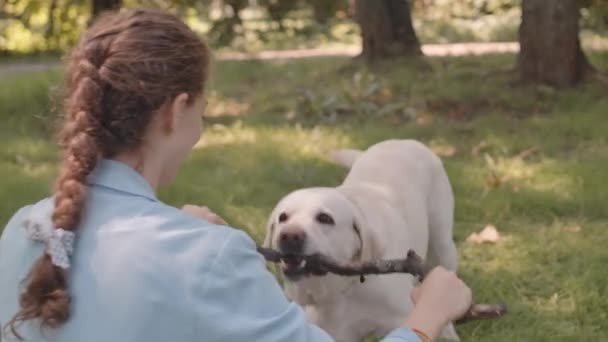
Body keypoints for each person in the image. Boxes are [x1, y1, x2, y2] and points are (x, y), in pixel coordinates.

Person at [0, 9, 471, 342]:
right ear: (176, 111)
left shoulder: (23, 229)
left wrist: (178, 238)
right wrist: (424, 321)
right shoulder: (214, 257)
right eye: (203, 112)